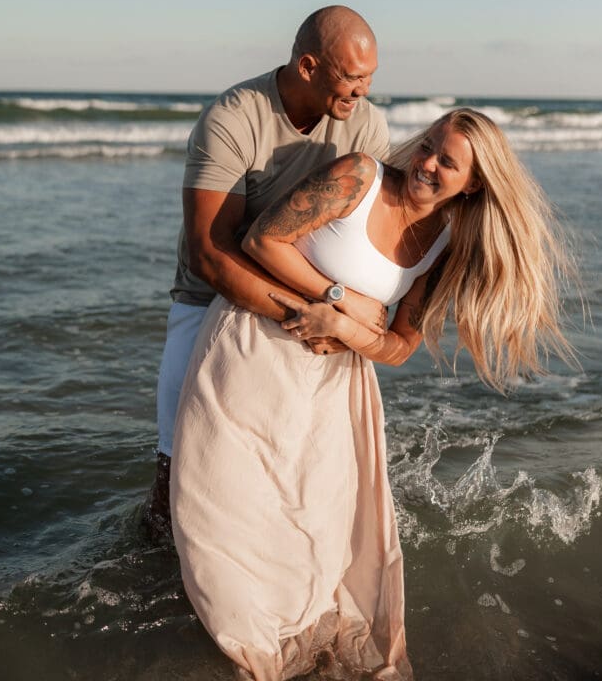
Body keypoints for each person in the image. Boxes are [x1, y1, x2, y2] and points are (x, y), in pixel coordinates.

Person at [170, 109, 575, 681]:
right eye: (429, 144)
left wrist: (341, 327)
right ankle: (242, 641)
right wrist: (340, 297)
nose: (426, 162)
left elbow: (400, 344)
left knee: (311, 518)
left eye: (447, 161)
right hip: (253, 347)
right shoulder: (358, 178)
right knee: (223, 503)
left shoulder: (443, 246)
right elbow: (262, 240)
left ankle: (283, 640)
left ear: (476, 183)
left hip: (334, 381)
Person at [144, 6, 391, 538]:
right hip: (210, 299)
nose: (361, 94)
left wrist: (353, 314)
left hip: (314, 299)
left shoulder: (366, 125)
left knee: (296, 474)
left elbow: (372, 233)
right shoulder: (234, 118)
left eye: (369, 80)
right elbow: (211, 252)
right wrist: (311, 312)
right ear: (308, 67)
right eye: (350, 80)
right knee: (177, 472)